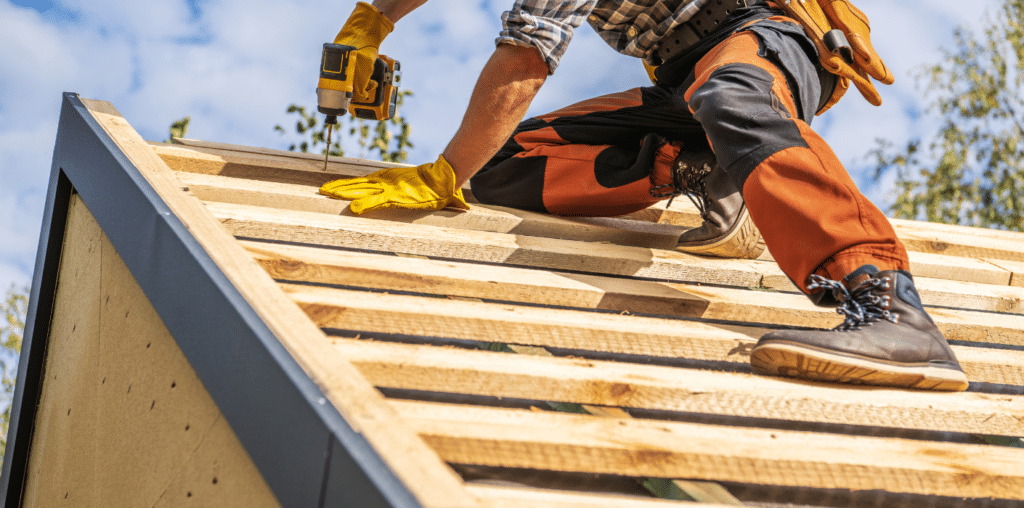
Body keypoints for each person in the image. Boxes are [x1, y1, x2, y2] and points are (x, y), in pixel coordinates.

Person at [319, 0, 970, 391]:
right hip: (687, 76)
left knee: (733, 96)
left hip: (763, 37)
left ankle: (886, 304)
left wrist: (442, 174)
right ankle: (706, 170)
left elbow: (525, 61)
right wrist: (374, 18)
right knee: (510, 165)